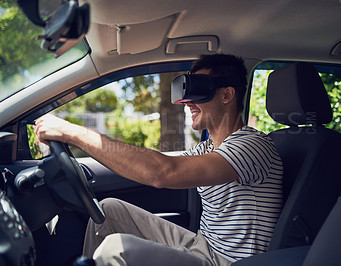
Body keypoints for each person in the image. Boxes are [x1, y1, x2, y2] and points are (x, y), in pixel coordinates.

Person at [35, 53, 284, 266]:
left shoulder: (252, 145)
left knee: (115, 248)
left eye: (196, 90)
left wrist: (73, 133)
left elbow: (162, 172)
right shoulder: (208, 148)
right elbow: (148, 163)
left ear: (227, 95)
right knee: (110, 210)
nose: (186, 102)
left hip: (227, 262)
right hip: (202, 245)